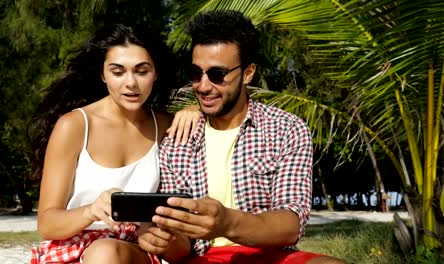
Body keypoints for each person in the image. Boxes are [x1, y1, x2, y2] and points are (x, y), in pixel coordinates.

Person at [139, 10, 346, 264]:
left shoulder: (286, 128)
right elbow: (182, 247)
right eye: (195, 73)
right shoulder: (177, 140)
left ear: (248, 73)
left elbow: (291, 225)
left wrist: (226, 222)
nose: (203, 86)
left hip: (273, 256)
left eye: (217, 75)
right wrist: (167, 242)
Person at [29, 23, 198, 264]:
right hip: (75, 250)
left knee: (107, 252)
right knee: (104, 252)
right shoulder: (74, 126)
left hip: (137, 248)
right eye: (118, 72)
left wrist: (195, 111)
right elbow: (47, 224)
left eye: (142, 71)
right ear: (102, 74)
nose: (131, 83)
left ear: (156, 72)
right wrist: (90, 210)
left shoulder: (167, 126)